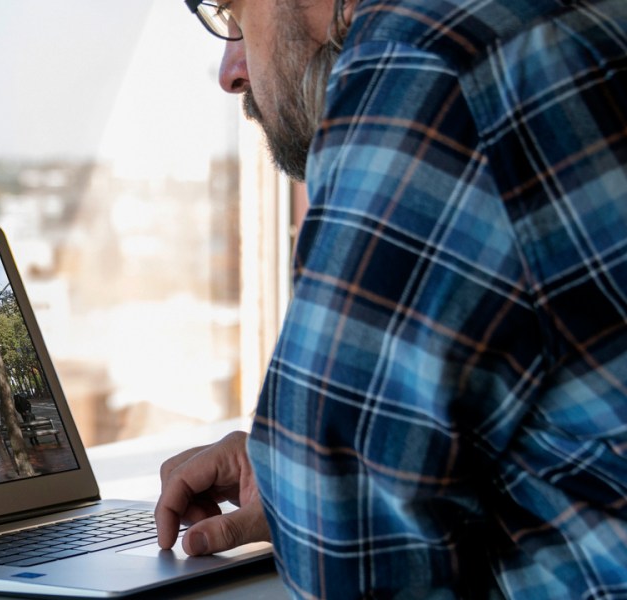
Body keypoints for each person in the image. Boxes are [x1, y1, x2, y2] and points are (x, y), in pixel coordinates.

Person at [157, 0, 627, 597]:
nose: (231, 71)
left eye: (233, 11)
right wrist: (285, 474)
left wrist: (312, 479)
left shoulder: (429, 63)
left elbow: (351, 561)